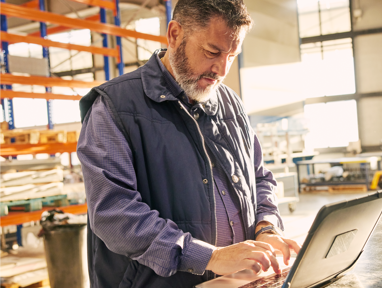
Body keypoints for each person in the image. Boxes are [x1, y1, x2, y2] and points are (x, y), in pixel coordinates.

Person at [77, 0, 301, 287]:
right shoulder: (114, 108)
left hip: (236, 281)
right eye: (212, 52)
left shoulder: (230, 103)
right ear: (174, 34)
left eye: (232, 55)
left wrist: (266, 227)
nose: (221, 69)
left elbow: (259, 178)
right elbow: (114, 213)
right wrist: (210, 257)